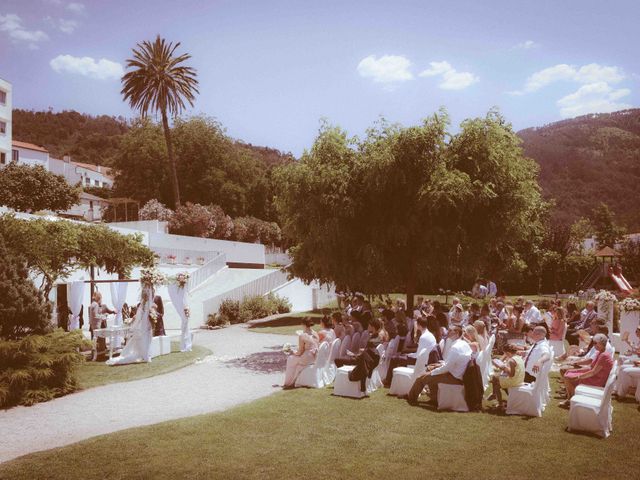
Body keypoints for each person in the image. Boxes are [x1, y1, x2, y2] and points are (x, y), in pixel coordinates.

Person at [406, 325, 472, 407]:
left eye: (450, 330)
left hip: (453, 377)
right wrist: (437, 366)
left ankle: (411, 398)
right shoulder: (464, 344)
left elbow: (447, 368)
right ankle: (434, 399)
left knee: (421, 377)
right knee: (430, 368)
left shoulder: (456, 347)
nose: (447, 332)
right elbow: (454, 363)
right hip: (457, 373)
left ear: (457, 333)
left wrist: (433, 372)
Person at [560, 334, 614, 407]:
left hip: (597, 380)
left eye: (595, 343)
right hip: (595, 376)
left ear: (602, 343)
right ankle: (570, 398)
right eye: (593, 343)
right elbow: (591, 366)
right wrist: (576, 370)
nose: (594, 345)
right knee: (568, 373)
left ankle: (570, 400)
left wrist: (578, 376)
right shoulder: (600, 352)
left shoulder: (604, 355)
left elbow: (593, 372)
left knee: (568, 378)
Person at [383, 315, 437, 387]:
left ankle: (388, 381)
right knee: (402, 356)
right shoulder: (429, 334)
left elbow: (418, 355)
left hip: (421, 361)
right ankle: (397, 380)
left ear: (419, 325)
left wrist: (408, 355)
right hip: (426, 359)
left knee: (394, 358)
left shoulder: (423, 337)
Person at [283, 318, 319, 388]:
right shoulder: (315, 333)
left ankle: (289, 382)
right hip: (315, 357)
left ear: (303, 324)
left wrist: (292, 351)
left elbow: (299, 352)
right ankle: (293, 380)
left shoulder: (302, 335)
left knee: (290, 359)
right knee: (294, 359)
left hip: (307, 358)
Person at [488, 343, 525, 410]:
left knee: (496, 384)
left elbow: (511, 374)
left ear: (508, 353)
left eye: (505, 353)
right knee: (495, 377)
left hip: (514, 381)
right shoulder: (518, 358)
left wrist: (503, 367)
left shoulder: (511, 361)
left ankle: (500, 404)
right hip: (519, 379)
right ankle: (494, 394)